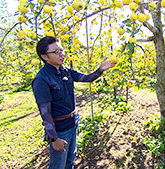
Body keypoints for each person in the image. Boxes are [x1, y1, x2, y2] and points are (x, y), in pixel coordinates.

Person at [32, 36, 116, 169]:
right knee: (57, 166)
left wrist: (100, 70)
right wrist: (54, 139)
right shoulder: (41, 79)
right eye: (56, 52)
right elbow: (45, 113)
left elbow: (86, 78)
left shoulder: (66, 71)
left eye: (61, 50)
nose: (61, 54)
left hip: (72, 123)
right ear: (44, 57)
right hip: (60, 130)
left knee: (70, 161)